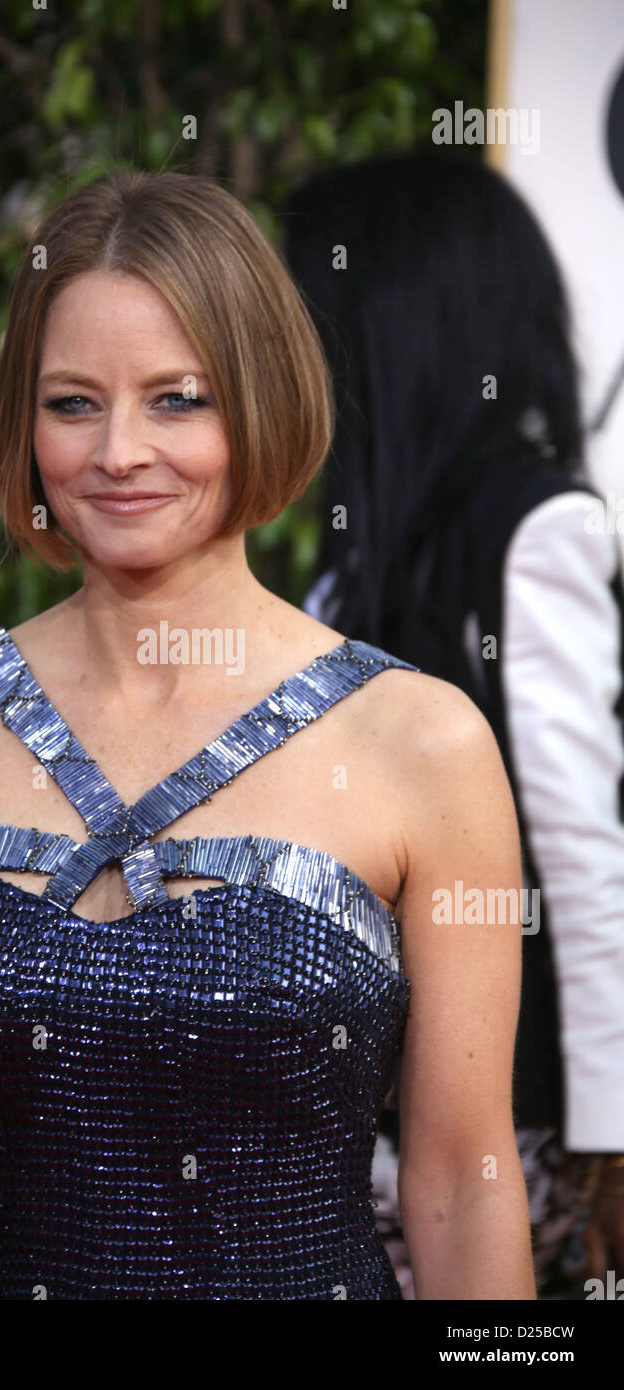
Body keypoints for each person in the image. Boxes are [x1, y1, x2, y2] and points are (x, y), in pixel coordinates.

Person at [0, 170, 535, 1300]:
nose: (118, 453)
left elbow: (460, 1182)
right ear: (20, 419)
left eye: (176, 399)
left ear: (260, 398)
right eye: (72, 402)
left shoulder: (419, 744)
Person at [283, 151, 624, 1297]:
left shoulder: (533, 529)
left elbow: (579, 845)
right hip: (362, 1120)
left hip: (507, 1134)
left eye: (307, 313)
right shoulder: (352, 561)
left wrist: (608, 1131)